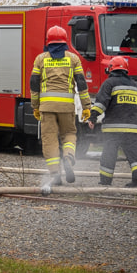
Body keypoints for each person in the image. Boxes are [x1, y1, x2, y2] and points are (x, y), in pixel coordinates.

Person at [30, 25, 91, 187]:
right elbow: (81, 83)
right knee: (69, 133)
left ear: (48, 42)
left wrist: (35, 105)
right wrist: (86, 106)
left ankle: (55, 174)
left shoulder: (40, 59)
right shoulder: (73, 59)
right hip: (67, 107)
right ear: (65, 41)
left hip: (47, 107)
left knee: (49, 140)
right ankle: (69, 157)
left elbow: (34, 83)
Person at [87, 56, 137, 188]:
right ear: (125, 69)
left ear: (111, 69)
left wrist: (92, 117)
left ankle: (105, 181)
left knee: (109, 154)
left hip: (113, 129)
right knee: (135, 155)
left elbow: (100, 103)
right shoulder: (135, 85)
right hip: (132, 128)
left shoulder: (109, 83)